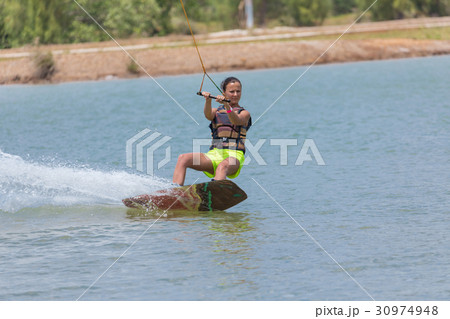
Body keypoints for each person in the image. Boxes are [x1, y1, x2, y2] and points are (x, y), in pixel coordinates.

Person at [172, 76, 251, 186]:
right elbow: (208, 115)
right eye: (232, 91)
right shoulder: (216, 111)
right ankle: (174, 193)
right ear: (224, 93)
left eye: (238, 91)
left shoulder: (244, 113)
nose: (235, 94)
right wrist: (208, 100)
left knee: (222, 166)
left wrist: (226, 105)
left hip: (234, 156)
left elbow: (236, 120)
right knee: (183, 158)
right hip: (214, 155)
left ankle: (216, 194)